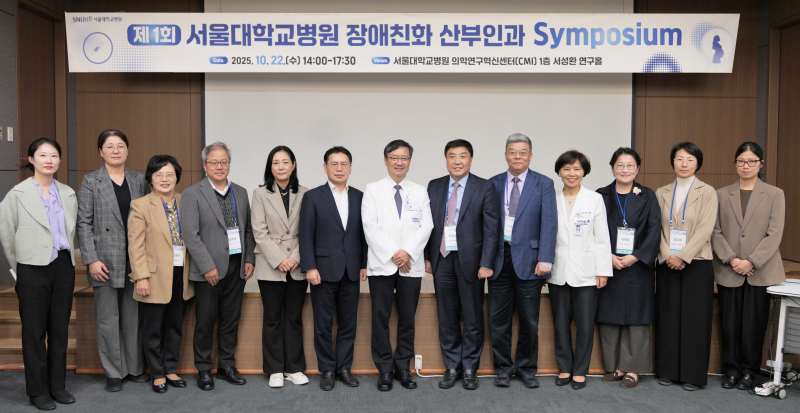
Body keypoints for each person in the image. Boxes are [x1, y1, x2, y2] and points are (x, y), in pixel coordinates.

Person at [0, 138, 78, 411]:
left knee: (59, 329)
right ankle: (37, 391)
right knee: (34, 332)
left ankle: (58, 386)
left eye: (54, 155)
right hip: (31, 268)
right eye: (43, 155)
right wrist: (19, 268)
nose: (49, 160)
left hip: (63, 266)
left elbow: (71, 231)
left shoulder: (68, 193)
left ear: (59, 160)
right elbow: (7, 235)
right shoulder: (17, 194)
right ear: (31, 159)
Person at [180, 141, 255, 391]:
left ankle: (226, 366)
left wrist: (249, 259)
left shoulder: (240, 192)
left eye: (224, 162)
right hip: (208, 270)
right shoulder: (192, 194)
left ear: (229, 164)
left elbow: (247, 230)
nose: (219, 166)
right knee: (205, 321)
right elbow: (190, 235)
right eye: (214, 162)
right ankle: (204, 369)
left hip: (236, 266)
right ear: (205, 165)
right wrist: (206, 266)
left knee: (230, 320)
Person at [424, 139, 498, 390]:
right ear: (446, 159)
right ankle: (452, 365)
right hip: (442, 258)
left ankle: (469, 367)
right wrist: (427, 257)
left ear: (470, 159)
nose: (457, 161)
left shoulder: (484, 187)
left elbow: (491, 229)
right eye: (452, 156)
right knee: (446, 316)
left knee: (472, 315)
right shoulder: (434, 186)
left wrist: (487, 262)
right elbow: (427, 225)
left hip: (472, 262)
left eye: (462, 156)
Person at [77, 129, 147, 392]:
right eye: (109, 146)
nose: (116, 150)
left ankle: (134, 367)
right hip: (104, 261)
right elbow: (83, 223)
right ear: (100, 152)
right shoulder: (91, 181)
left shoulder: (139, 180)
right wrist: (91, 259)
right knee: (108, 319)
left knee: (132, 317)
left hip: (134, 259)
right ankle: (114, 372)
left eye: (120, 146)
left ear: (127, 150)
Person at [712, 141, 785, 391]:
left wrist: (751, 261)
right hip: (728, 269)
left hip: (760, 271)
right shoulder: (721, 194)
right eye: (741, 161)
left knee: (754, 325)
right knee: (729, 324)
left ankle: (749, 372)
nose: (746, 166)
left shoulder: (775, 194)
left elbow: (775, 233)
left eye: (751, 161)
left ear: (760, 164)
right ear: (735, 164)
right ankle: (731, 370)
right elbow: (715, 231)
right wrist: (732, 259)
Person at [362, 139, 433, 392]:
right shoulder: (373, 189)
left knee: (407, 319)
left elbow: (426, 225)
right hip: (382, 264)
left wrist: (408, 253)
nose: (399, 162)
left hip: (410, 265)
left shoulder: (420, 191)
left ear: (410, 161)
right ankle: (384, 368)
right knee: (380, 318)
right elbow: (370, 226)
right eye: (394, 158)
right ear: (386, 160)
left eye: (404, 158)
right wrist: (394, 254)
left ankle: (403, 366)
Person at [488, 133, 557, 389]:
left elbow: (549, 223)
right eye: (513, 152)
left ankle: (527, 368)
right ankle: (503, 369)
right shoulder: (493, 183)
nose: (517, 156)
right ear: (506, 155)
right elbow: (487, 225)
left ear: (530, 155)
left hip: (530, 260)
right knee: (498, 321)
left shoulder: (544, 184)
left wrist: (545, 258)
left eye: (523, 152)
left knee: (529, 320)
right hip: (499, 259)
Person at [299, 146, 367, 391]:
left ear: (350, 167)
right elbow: (305, 235)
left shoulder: (360, 197)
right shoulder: (313, 197)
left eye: (344, 164)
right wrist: (310, 266)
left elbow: (364, 234)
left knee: (349, 323)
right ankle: (327, 370)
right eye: (334, 164)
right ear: (325, 167)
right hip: (323, 270)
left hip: (351, 270)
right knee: (323, 324)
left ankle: (344, 368)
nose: (339, 168)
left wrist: (363, 264)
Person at [127, 155, 194, 394]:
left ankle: (171, 368)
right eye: (159, 175)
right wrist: (141, 276)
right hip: (153, 276)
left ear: (177, 177)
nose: (164, 179)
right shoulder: (141, 205)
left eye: (169, 174)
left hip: (182, 274)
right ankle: (156, 373)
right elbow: (135, 245)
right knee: (153, 328)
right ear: (151, 178)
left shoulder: (186, 201)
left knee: (175, 325)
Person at [655, 141, 718, 391]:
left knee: (695, 319)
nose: (684, 164)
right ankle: (667, 371)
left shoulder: (707, 192)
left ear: (697, 163)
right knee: (668, 317)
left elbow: (706, 228)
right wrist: (668, 254)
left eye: (690, 159)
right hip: (667, 262)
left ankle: (693, 375)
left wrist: (683, 255)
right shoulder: (661, 192)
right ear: (672, 162)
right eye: (679, 159)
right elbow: (658, 228)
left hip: (697, 262)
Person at [596, 148, 661, 389]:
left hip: (638, 267)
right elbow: (594, 231)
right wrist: (607, 256)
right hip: (609, 265)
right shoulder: (601, 195)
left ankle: (633, 369)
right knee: (610, 316)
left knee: (637, 317)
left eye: (630, 165)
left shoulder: (648, 196)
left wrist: (636, 256)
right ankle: (616, 367)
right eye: (620, 165)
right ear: (613, 167)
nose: (625, 170)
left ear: (638, 168)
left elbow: (654, 229)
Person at [549, 150, 613, 390]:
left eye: (576, 169)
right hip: (558, 270)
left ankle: (580, 370)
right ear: (559, 172)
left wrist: (603, 270)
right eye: (566, 169)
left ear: (584, 172)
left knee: (585, 325)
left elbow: (602, 238)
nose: (571, 173)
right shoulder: (551, 199)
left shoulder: (594, 199)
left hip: (587, 272)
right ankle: (564, 367)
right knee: (560, 324)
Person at [251, 146, 309, 388]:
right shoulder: (260, 194)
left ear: (293, 165)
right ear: (270, 167)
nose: (281, 166)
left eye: (285, 162)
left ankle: (294, 368)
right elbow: (259, 231)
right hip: (270, 265)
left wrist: (294, 257)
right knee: (273, 318)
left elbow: (308, 230)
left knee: (293, 318)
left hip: (297, 264)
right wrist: (279, 259)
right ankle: (275, 369)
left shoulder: (306, 193)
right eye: (276, 162)